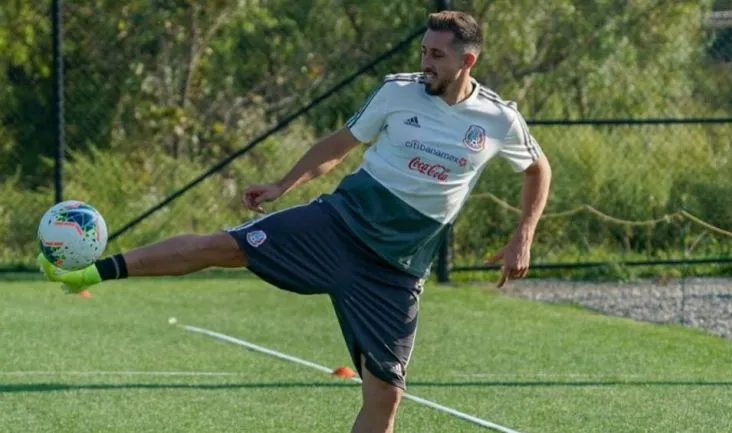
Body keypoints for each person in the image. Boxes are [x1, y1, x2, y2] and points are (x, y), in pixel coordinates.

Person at [38, 10, 551, 433]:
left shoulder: (498, 119)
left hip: (396, 271)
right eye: (423, 51)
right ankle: (89, 272)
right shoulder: (397, 92)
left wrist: (522, 236)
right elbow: (337, 146)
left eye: (436, 56)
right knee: (224, 247)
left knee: (386, 399)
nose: (425, 64)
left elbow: (537, 167)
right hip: (336, 227)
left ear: (469, 60)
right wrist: (284, 186)